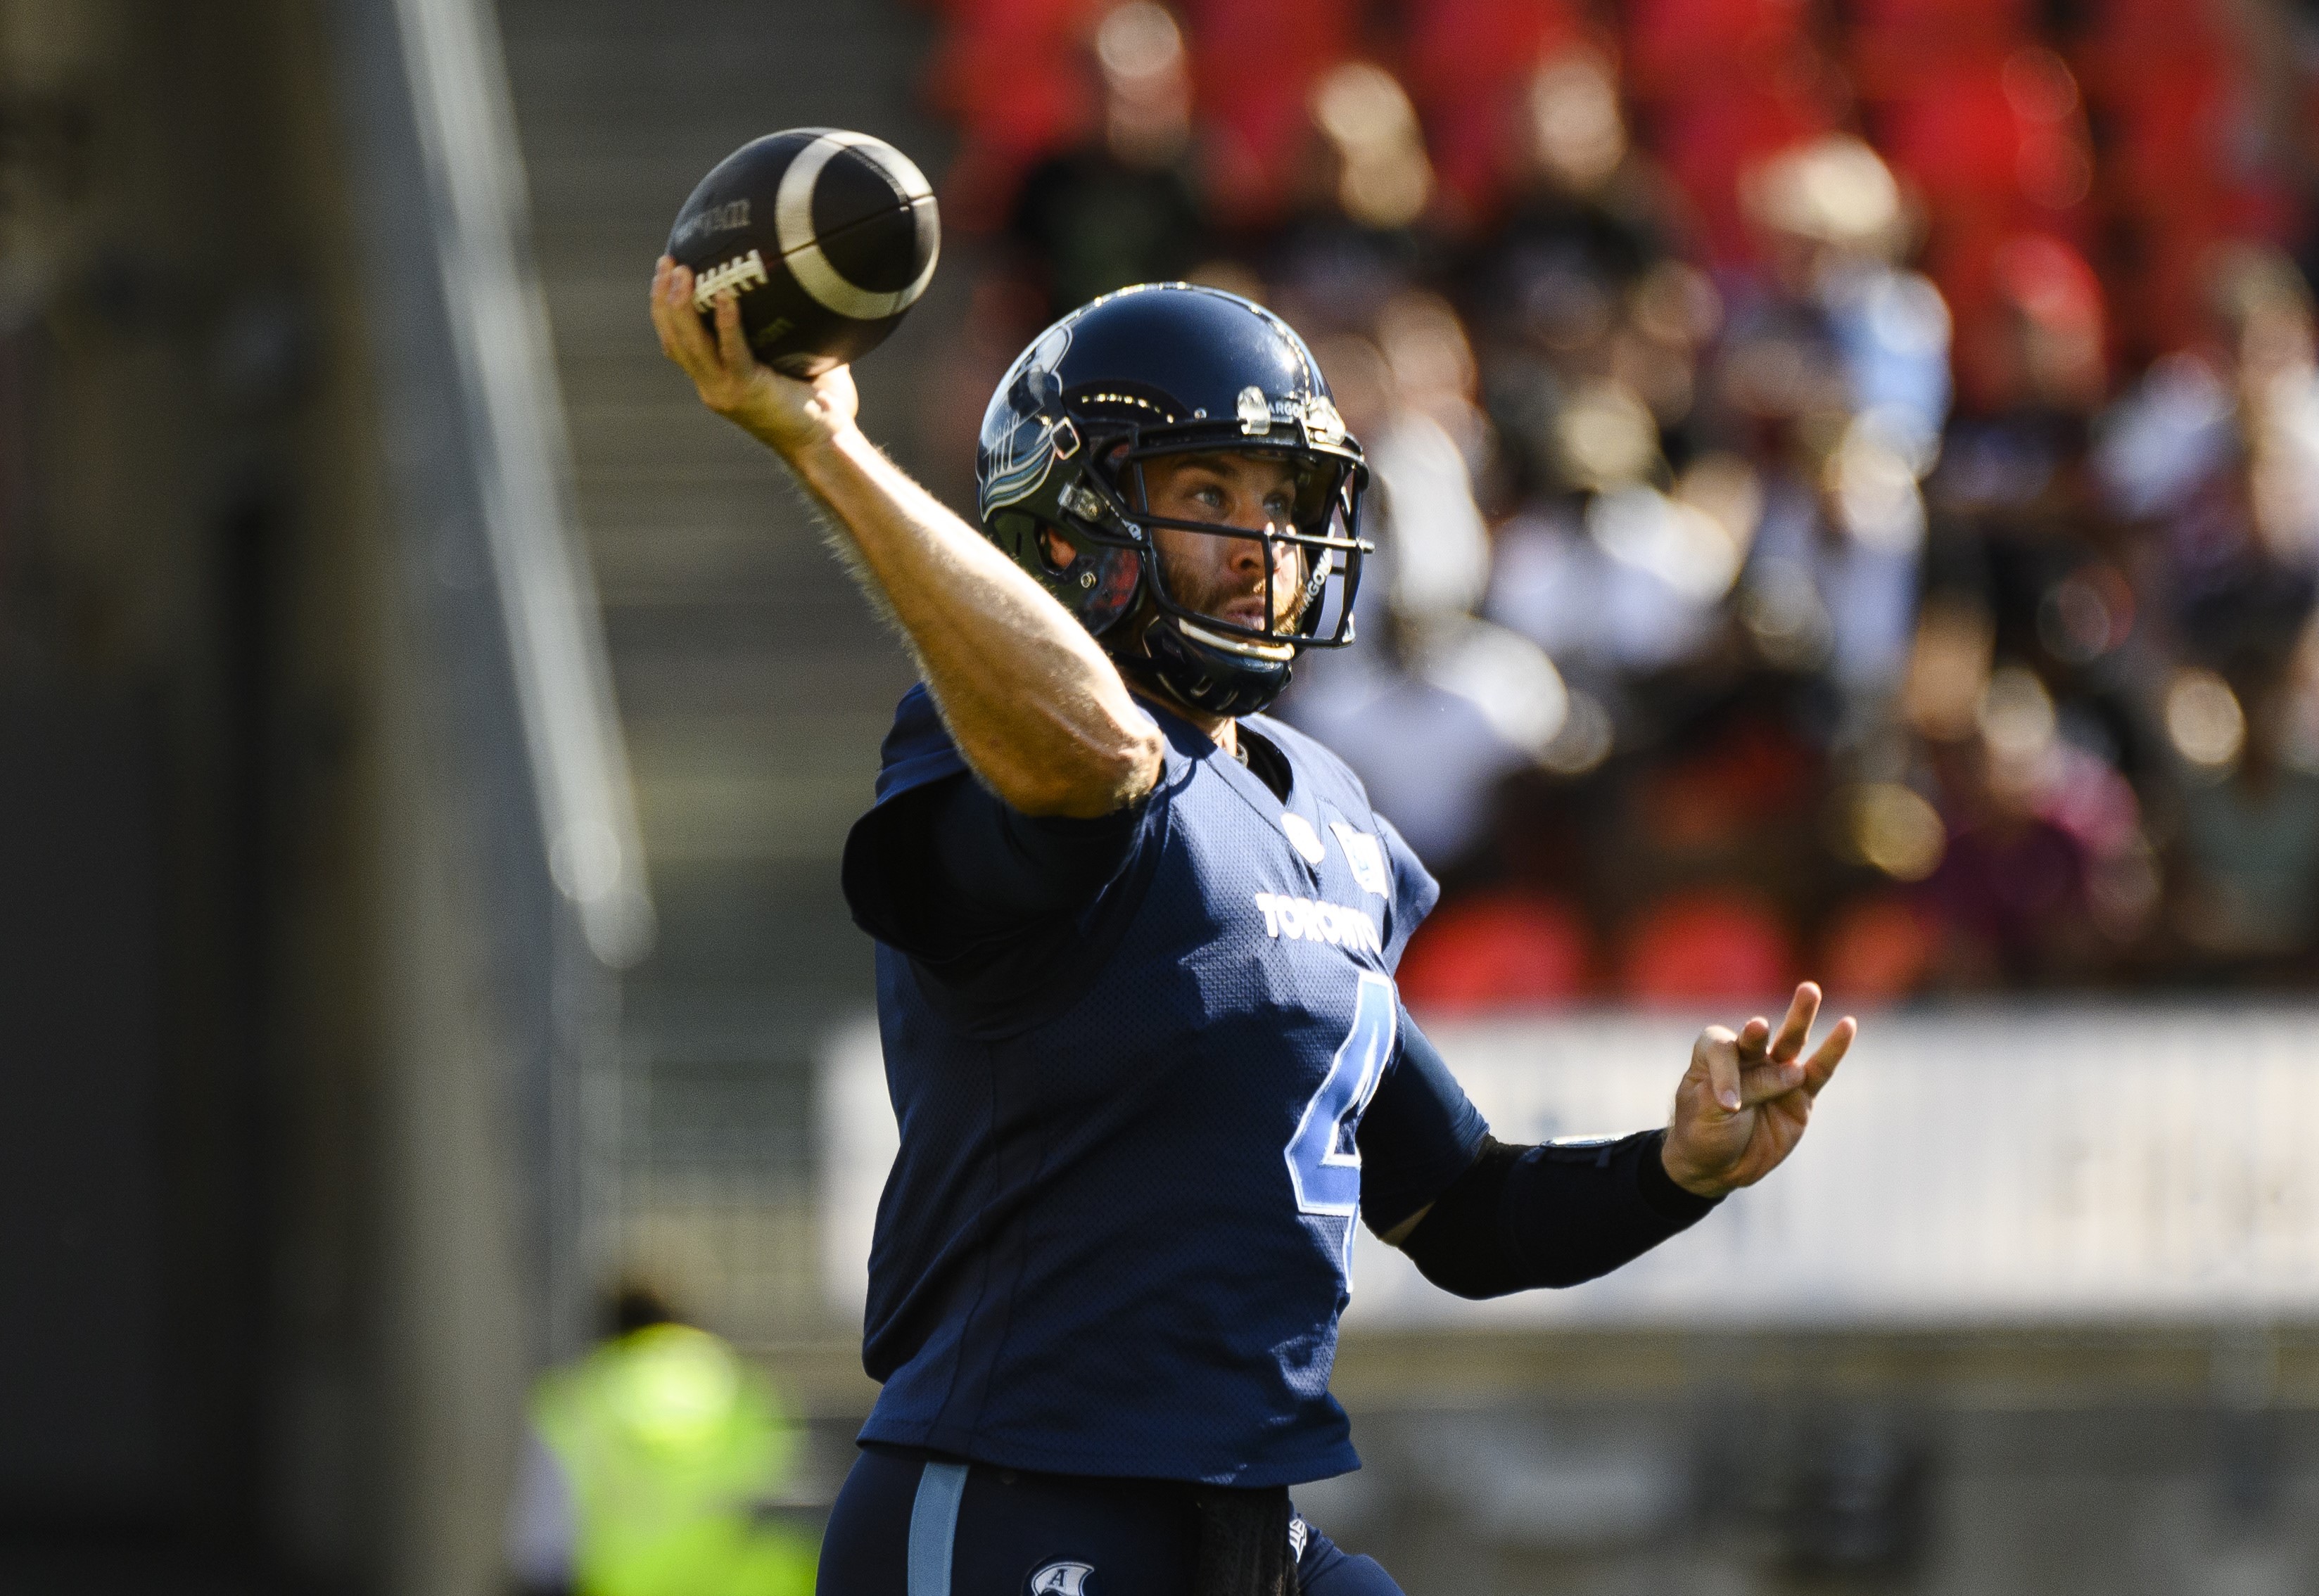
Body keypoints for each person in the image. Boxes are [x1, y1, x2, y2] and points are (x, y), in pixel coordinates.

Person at [649, 262, 1857, 1594]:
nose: (1262, 544)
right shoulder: (1006, 744)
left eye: (1281, 502)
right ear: (1073, 521)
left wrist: (1673, 1169)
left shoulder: (1326, 809)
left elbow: (1458, 1208)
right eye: (1207, 494)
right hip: (1012, 1500)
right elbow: (1095, 761)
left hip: (1241, 1526)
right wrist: (829, 447)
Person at [509, 1284, 816, 1596]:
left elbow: (542, 1554)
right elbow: (799, 1511)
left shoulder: (576, 1402)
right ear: (687, 1319)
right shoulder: (746, 1391)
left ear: (608, 1329)